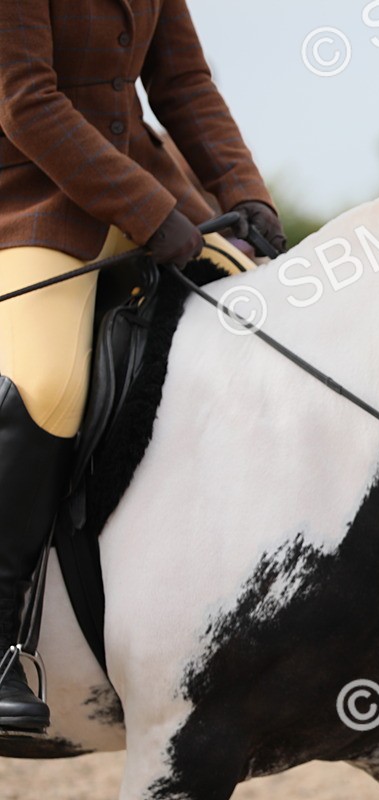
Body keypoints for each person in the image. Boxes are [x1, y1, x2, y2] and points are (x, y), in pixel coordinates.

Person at [0, 0, 286, 733]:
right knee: (45, 390)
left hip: (154, 201)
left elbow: (183, 82)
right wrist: (155, 215)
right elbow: (27, 103)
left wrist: (245, 194)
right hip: (30, 205)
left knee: (277, 338)